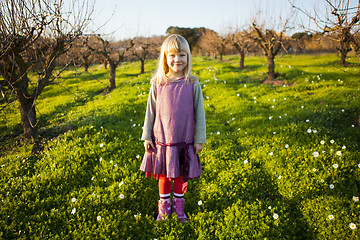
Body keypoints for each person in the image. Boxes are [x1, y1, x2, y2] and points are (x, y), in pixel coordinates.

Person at [140, 34, 206, 222]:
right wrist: (147, 136)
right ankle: (164, 209)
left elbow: (199, 113)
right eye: (173, 55)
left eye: (182, 55)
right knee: (163, 175)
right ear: (165, 58)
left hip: (184, 140)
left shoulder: (192, 84)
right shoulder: (158, 83)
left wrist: (199, 138)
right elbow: (150, 112)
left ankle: (178, 209)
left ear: (188, 57)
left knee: (180, 175)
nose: (178, 60)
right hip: (163, 140)